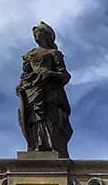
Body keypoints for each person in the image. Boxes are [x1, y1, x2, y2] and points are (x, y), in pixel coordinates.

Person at [16, 21, 73, 158]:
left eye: (38, 32)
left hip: (50, 92)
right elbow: (26, 75)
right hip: (32, 91)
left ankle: (53, 146)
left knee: (50, 117)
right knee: (34, 119)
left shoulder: (54, 53)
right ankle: (36, 145)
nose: (36, 35)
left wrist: (50, 74)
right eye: (34, 33)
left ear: (46, 35)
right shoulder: (30, 54)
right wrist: (22, 85)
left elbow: (65, 75)